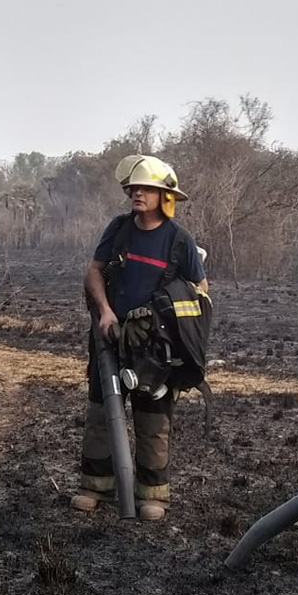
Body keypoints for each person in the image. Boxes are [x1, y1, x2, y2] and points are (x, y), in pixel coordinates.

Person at [71, 155, 208, 521]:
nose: (137, 193)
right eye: (134, 187)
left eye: (146, 188)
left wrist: (174, 333)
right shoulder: (119, 230)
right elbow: (94, 272)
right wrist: (105, 311)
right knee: (101, 412)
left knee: (153, 419)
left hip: (155, 349)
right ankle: (95, 486)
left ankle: (153, 494)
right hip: (109, 337)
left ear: (166, 196)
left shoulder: (180, 241)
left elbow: (200, 293)